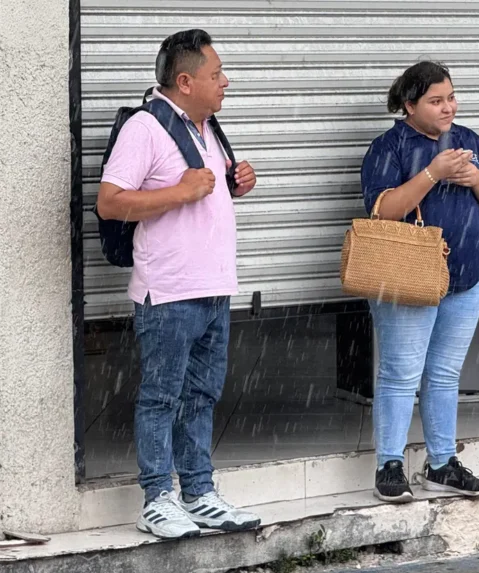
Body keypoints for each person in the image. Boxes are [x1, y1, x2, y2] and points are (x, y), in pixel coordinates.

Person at [96, 29, 260, 539]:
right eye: (216, 74)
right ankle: (156, 498)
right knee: (160, 397)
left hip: (213, 288)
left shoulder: (208, 128)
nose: (225, 82)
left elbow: (203, 196)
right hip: (168, 292)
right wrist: (179, 191)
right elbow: (110, 201)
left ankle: (198, 491)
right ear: (185, 81)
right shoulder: (146, 128)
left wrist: (236, 184)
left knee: (202, 395)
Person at [359, 61, 479, 503]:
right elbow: (382, 211)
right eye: (436, 100)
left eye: (452, 97)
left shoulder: (468, 141)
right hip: (408, 278)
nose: (448, 108)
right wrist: (432, 174)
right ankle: (389, 464)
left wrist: (475, 176)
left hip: (465, 277)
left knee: (444, 375)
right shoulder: (390, 147)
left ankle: (442, 463)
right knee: (400, 373)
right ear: (410, 105)